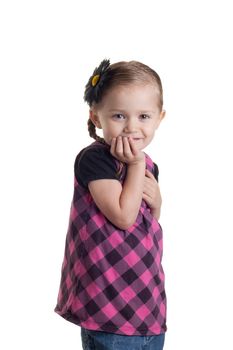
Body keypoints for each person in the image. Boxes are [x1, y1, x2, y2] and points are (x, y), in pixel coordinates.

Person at [54, 59, 167, 350]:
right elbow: (123, 217)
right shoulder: (96, 159)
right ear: (96, 117)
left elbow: (146, 225)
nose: (132, 127)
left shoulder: (147, 165)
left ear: (159, 118)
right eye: (118, 116)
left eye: (143, 116)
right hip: (107, 309)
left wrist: (157, 204)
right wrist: (136, 164)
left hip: (146, 306)